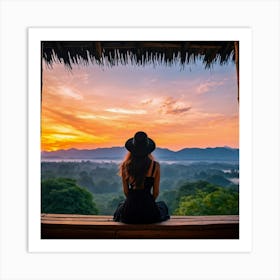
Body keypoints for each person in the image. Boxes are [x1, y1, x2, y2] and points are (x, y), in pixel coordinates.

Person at [113, 131, 170, 224]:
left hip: (130, 212)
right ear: (148, 150)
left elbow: (126, 192)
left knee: (121, 205)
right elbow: (155, 193)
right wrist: (147, 204)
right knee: (162, 206)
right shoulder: (155, 166)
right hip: (149, 212)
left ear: (132, 149)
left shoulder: (125, 166)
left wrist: (134, 202)